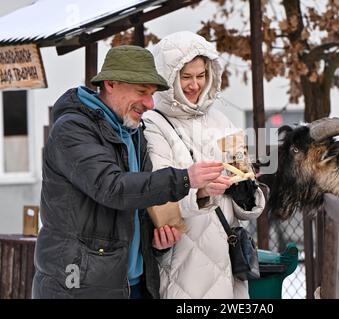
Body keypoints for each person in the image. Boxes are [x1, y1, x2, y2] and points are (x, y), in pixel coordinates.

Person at [32, 45, 228, 299]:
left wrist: (155, 243)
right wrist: (185, 178)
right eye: (141, 92)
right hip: (78, 285)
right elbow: (112, 188)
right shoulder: (72, 129)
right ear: (111, 84)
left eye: (152, 94)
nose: (149, 103)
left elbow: (137, 203)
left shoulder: (132, 132)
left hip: (130, 282)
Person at [143, 31, 266, 299]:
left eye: (201, 76)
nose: (194, 85)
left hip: (226, 257)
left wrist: (246, 189)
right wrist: (199, 192)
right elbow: (157, 187)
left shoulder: (222, 120)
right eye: (185, 77)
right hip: (184, 259)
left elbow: (244, 209)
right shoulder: (154, 123)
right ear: (168, 77)